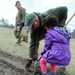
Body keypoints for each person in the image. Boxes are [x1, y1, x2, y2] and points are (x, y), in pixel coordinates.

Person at [25, 6, 68, 74]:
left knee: (56, 50)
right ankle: (35, 58)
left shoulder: (50, 14)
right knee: (37, 43)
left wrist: (60, 26)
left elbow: (64, 9)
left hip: (57, 34)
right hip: (46, 34)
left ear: (36, 20)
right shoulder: (34, 29)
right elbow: (33, 42)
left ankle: (61, 68)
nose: (32, 28)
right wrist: (30, 57)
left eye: (32, 26)